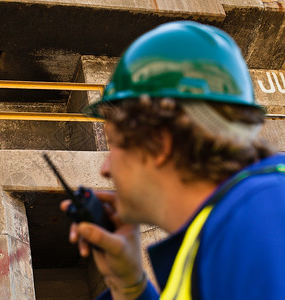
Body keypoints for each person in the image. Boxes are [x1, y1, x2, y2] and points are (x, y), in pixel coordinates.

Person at [61, 21, 285, 300]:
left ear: (159, 143)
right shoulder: (224, 230)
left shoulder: (257, 216)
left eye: (114, 144)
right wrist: (128, 283)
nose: (105, 169)